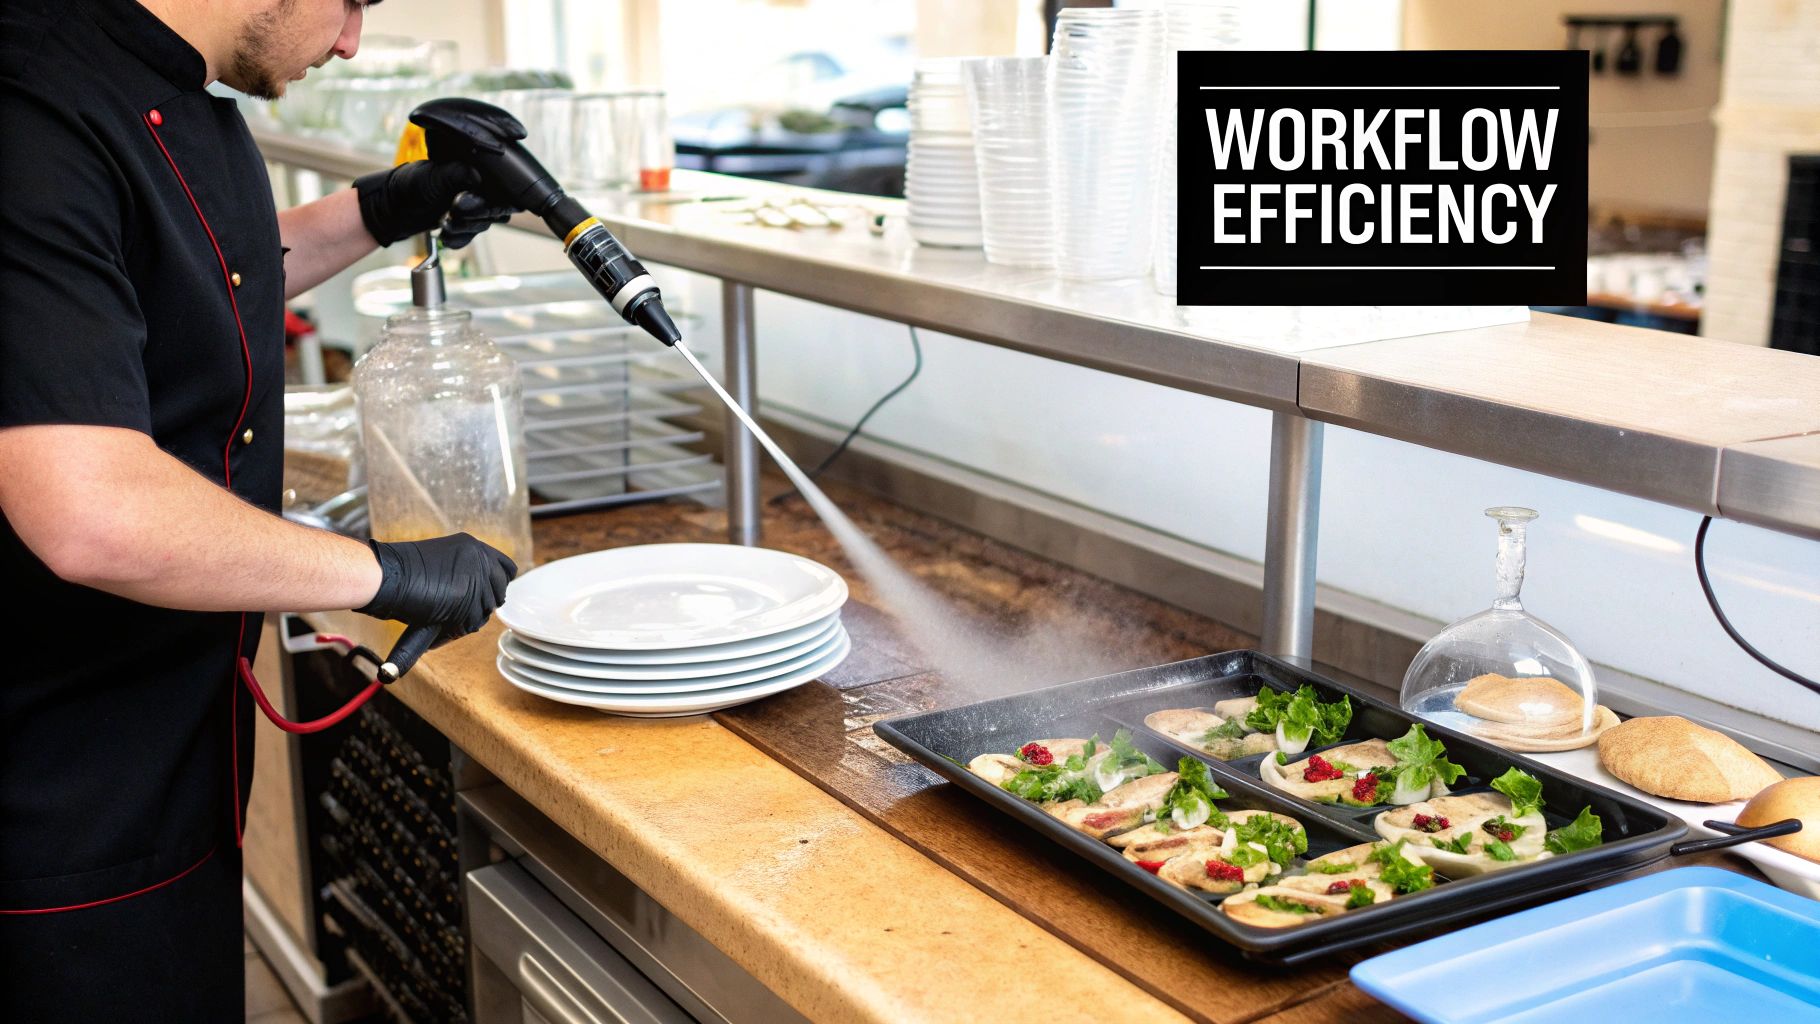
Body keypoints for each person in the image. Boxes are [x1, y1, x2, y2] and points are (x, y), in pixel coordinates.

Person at [0, 1, 523, 1017]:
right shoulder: (32, 114)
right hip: (57, 795)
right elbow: (90, 512)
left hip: (156, 748)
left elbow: (200, 281)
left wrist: (386, 207)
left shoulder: (172, 85)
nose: (351, 40)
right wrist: (383, 571)